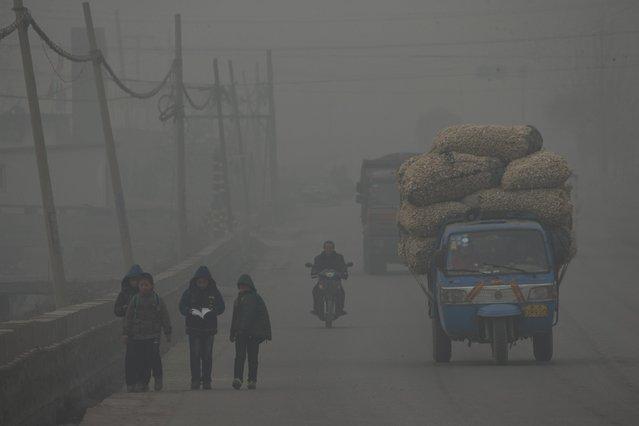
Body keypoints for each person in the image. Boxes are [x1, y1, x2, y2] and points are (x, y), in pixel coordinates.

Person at [178, 266, 225, 390]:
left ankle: (207, 380)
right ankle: (195, 380)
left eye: (204, 282)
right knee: (195, 355)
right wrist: (189, 311)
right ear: (195, 281)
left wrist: (212, 312)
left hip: (209, 329)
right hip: (193, 329)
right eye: (199, 282)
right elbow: (181, 306)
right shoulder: (189, 293)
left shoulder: (214, 293)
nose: (202, 284)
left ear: (208, 281)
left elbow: (221, 307)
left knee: (207, 355)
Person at [123, 272, 172, 392]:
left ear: (152, 286)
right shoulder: (135, 300)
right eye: (141, 285)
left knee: (154, 358)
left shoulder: (157, 300)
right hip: (138, 335)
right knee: (141, 360)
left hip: (153, 334)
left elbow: (164, 316)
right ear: (138, 287)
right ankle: (142, 382)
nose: (144, 287)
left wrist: (167, 331)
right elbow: (128, 317)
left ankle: (158, 377)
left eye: (146, 285)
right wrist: (126, 333)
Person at [230, 274, 271, 390]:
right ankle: (239, 378)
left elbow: (263, 316)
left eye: (244, 286)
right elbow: (235, 318)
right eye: (241, 286)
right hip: (242, 333)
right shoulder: (239, 299)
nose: (242, 288)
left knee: (250, 358)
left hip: (252, 334)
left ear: (249, 286)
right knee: (241, 357)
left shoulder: (254, 298)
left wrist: (266, 332)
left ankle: (250, 380)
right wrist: (233, 332)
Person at [114, 264, 144, 392]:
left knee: (143, 358)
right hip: (130, 331)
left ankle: (141, 382)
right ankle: (130, 383)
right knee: (131, 358)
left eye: (137, 280)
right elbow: (116, 311)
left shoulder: (147, 294)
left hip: (144, 331)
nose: (135, 283)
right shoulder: (124, 295)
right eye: (133, 280)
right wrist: (125, 309)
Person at [310, 241, 348, 316]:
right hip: (323, 281)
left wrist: (344, 273)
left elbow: (343, 267)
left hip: (335, 281)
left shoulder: (339, 257)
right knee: (315, 291)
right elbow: (315, 267)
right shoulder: (318, 258)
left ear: (333, 248)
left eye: (330, 248)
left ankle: (340, 310)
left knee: (341, 292)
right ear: (324, 248)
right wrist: (314, 272)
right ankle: (316, 309)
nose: (329, 249)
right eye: (327, 247)